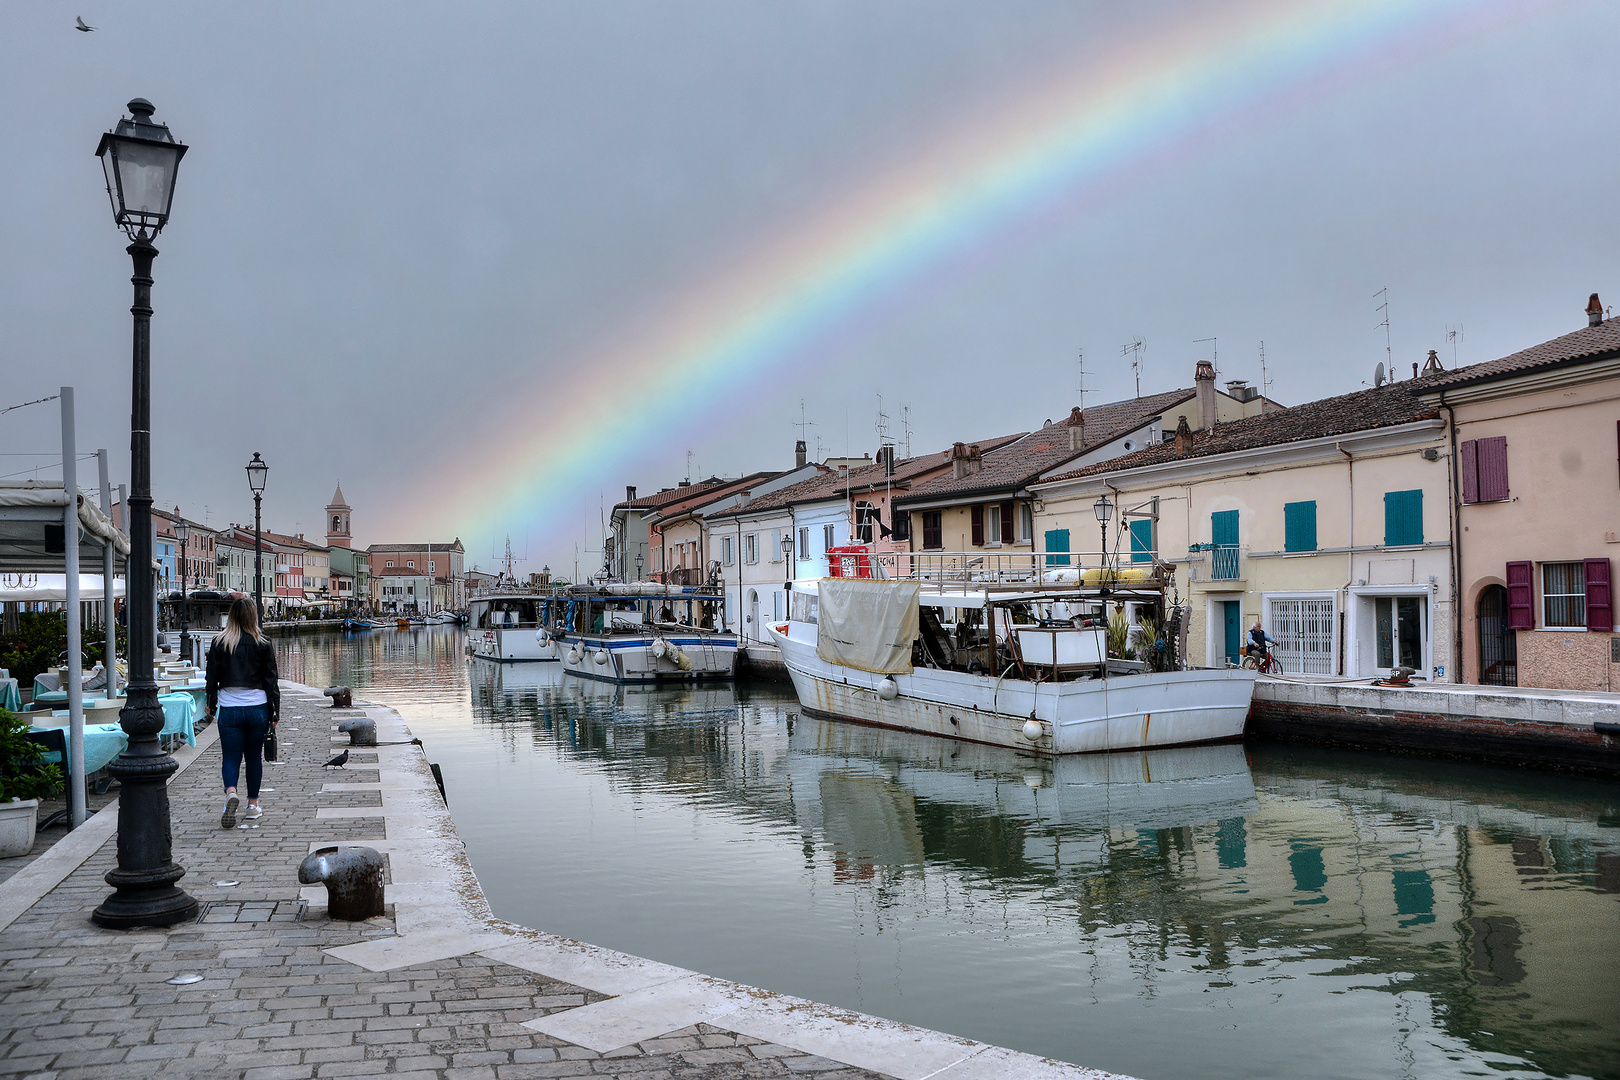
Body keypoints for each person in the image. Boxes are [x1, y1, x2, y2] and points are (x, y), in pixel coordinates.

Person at [205, 598, 280, 829]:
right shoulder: (263, 643)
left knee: (231, 756)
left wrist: (211, 702)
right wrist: (274, 711)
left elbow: (211, 677)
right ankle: (252, 806)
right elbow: (271, 679)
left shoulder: (219, 642)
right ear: (253, 616)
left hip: (229, 708)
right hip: (257, 707)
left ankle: (230, 792)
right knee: (254, 757)